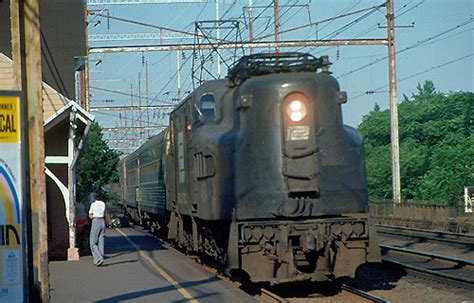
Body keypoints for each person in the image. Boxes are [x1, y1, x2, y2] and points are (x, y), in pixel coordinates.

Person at [88, 192, 106, 266]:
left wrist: (91, 216)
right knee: (101, 241)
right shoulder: (103, 204)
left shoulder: (93, 204)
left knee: (92, 243)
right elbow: (104, 212)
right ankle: (97, 260)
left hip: (96, 221)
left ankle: (99, 257)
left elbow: (90, 215)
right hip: (102, 222)